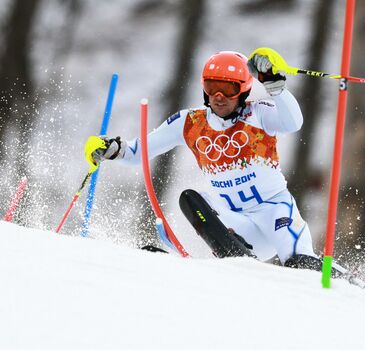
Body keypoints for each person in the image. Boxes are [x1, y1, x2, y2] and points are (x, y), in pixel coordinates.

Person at [85, 48, 319, 267]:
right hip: (235, 222)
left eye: (228, 89)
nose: (218, 96)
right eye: (211, 87)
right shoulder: (190, 122)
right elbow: (136, 152)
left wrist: (276, 87)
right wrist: (112, 149)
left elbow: (293, 123)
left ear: (244, 90)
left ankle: (337, 282)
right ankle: (220, 259)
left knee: (299, 263)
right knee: (192, 199)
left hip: (274, 212)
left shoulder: (259, 112)